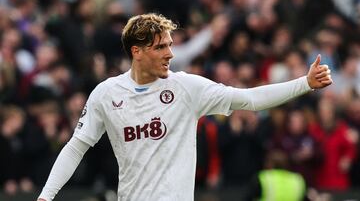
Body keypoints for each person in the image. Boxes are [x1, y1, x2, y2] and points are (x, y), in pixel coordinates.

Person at [37, 13, 332, 201]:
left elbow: (249, 99)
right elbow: (77, 146)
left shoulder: (187, 88)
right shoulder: (106, 93)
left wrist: (303, 83)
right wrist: (46, 197)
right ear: (136, 52)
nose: (170, 53)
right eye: (161, 47)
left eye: (170, 44)